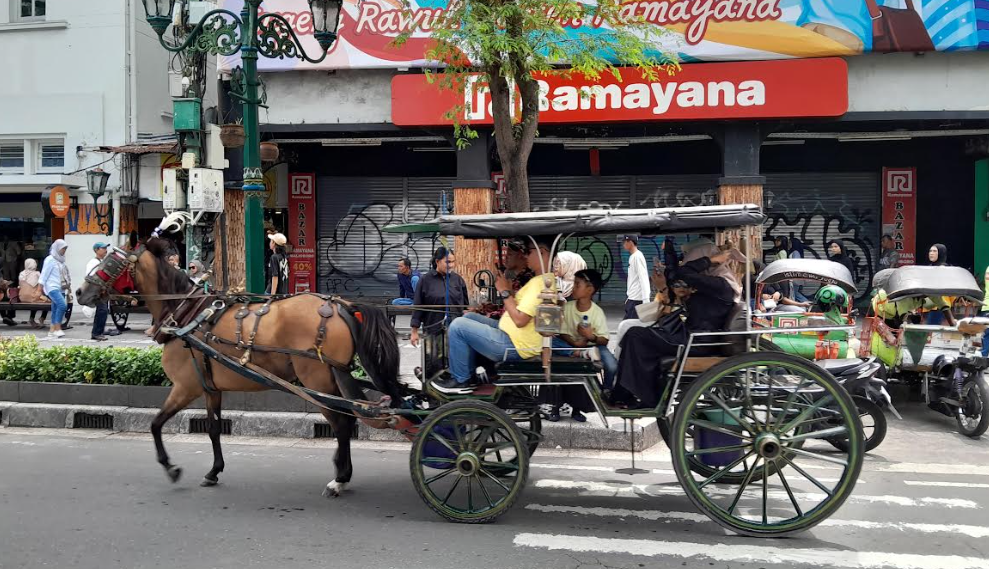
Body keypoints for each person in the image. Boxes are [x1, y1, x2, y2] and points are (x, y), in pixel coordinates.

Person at [614, 242, 743, 409]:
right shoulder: (713, 284)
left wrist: (711, 260)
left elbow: (684, 272)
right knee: (634, 334)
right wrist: (665, 286)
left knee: (635, 334)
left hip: (697, 342)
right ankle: (626, 394)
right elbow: (680, 276)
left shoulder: (720, 284)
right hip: (692, 337)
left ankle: (638, 397)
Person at [435, 240, 556, 393]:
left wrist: (504, 291)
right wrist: (509, 292)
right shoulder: (539, 281)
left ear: (542, 252)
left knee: (458, 326)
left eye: (528, 252)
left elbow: (520, 320)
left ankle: (461, 380)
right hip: (511, 334)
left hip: (515, 344)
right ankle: (467, 374)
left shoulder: (540, 283)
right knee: (469, 317)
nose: (526, 256)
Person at [546, 269, 617, 422]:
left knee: (612, 365)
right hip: (569, 346)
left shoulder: (597, 312)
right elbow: (562, 332)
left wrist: (590, 336)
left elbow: (604, 340)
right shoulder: (568, 307)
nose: (573, 288)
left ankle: (606, 392)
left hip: (593, 347)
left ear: (590, 290)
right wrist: (575, 343)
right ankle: (555, 406)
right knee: (550, 344)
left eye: (577, 285)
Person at [410, 246, 469, 348]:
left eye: (453, 262)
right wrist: (414, 331)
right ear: (437, 261)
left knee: (454, 356)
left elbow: (465, 307)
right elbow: (418, 306)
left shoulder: (458, 280)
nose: (451, 265)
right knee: (434, 356)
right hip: (432, 329)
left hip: (456, 331)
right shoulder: (425, 280)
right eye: (448, 262)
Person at [40, 239, 69, 339]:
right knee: (62, 305)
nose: (64, 251)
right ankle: (57, 328)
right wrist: (40, 288)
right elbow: (44, 274)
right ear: (57, 248)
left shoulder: (61, 260)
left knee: (55, 308)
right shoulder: (50, 259)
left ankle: (52, 331)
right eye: (63, 248)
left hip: (61, 288)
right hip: (52, 287)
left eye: (65, 249)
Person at [85, 242, 111, 341]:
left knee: (103, 311)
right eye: (103, 248)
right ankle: (96, 333)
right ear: (96, 250)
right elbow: (90, 277)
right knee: (102, 310)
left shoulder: (102, 261)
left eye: (105, 248)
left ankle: (99, 331)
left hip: (103, 291)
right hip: (96, 291)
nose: (105, 250)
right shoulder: (93, 263)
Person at [622, 235, 650, 320]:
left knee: (628, 325)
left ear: (630, 242)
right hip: (632, 298)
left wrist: (646, 299)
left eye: (625, 242)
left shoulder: (637, 256)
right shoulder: (633, 256)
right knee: (630, 325)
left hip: (636, 299)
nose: (623, 245)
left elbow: (643, 277)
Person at [17, 258, 48, 328]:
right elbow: (42, 284)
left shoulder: (21, 274)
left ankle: (32, 318)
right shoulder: (37, 274)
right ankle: (42, 318)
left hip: (22, 297)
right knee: (47, 301)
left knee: (35, 299)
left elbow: (20, 285)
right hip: (32, 297)